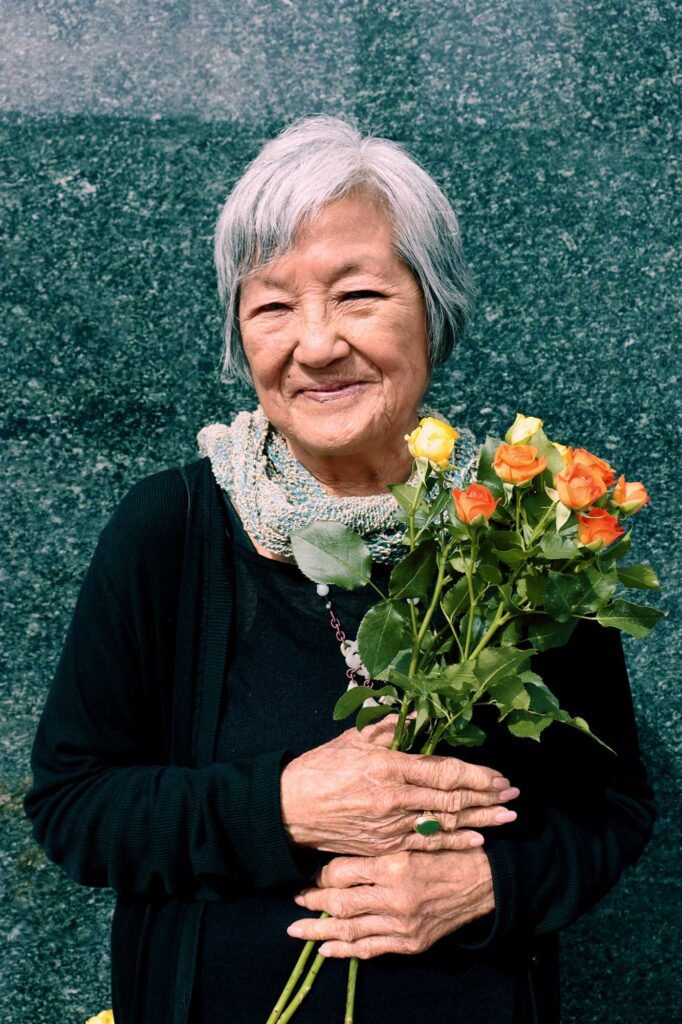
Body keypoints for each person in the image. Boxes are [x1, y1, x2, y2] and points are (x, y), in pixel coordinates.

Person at [24, 114, 655, 1024]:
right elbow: (76, 807)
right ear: (242, 340)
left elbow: (610, 805)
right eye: (272, 306)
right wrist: (280, 806)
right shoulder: (174, 527)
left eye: (357, 295)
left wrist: (493, 884)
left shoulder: (526, 534)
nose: (314, 345)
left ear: (432, 311)